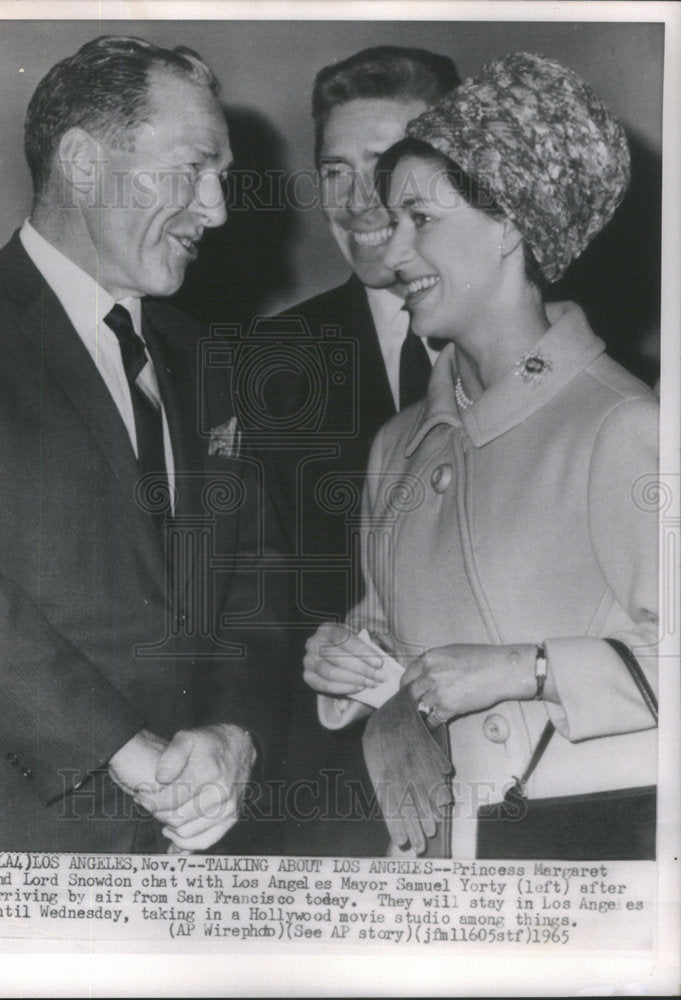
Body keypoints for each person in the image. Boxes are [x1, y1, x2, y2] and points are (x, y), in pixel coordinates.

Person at [303, 53, 659, 859]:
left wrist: (526, 669)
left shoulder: (622, 427)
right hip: (432, 863)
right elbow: (408, 643)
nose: (391, 256)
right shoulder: (397, 445)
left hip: (582, 856)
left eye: (419, 219)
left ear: (509, 223)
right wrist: (356, 662)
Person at [0, 35, 288, 855]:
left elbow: (256, 580)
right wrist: (121, 748)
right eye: (191, 169)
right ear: (82, 162)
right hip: (11, 850)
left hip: (197, 853)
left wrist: (232, 733)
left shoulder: (206, 360)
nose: (216, 208)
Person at [275, 46, 460, 856]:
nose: (355, 205)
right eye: (334, 172)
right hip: (332, 793)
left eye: (382, 168)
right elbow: (251, 583)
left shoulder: (570, 364)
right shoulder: (264, 363)